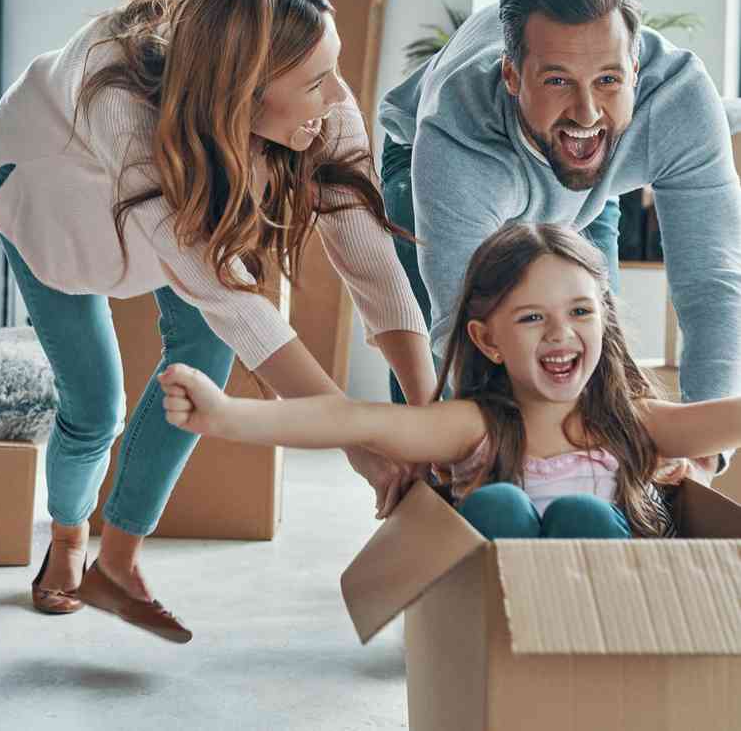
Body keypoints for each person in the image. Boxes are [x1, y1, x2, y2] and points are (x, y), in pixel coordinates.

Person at [0, 0, 436, 641]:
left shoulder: (319, 109)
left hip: (167, 202)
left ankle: (120, 564)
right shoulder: (121, 105)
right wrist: (359, 443)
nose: (341, 97)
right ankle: (70, 536)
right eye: (317, 81)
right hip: (49, 198)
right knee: (95, 406)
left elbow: (372, 263)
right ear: (245, 93)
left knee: (203, 365)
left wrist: (425, 420)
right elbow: (237, 303)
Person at [378, 0, 741, 485]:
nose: (588, 110)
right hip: (429, 165)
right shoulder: (456, 135)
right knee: (444, 403)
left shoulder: (679, 103)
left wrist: (702, 455)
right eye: (557, 80)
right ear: (511, 75)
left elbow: (713, 285)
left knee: (598, 350)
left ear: (635, 70)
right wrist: (503, 455)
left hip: (587, 184)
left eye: (609, 80)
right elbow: (461, 326)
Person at [159, 222, 741, 540]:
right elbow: (354, 419)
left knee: (582, 517)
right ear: (488, 340)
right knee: (501, 506)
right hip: (495, 628)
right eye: (533, 317)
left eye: (581, 312)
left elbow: (726, 417)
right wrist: (228, 415)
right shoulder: (475, 425)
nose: (561, 334)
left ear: (604, 320)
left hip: (600, 634)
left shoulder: (627, 421)